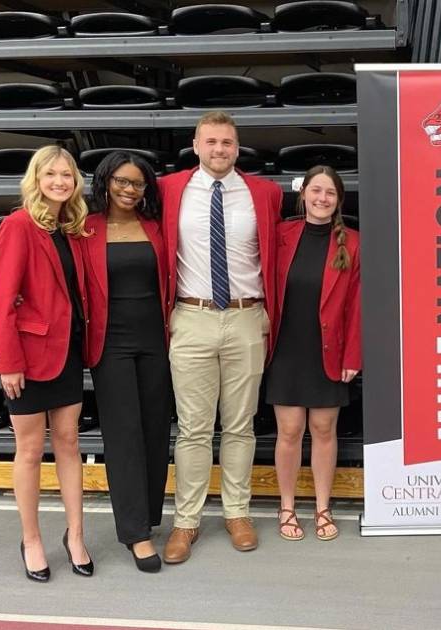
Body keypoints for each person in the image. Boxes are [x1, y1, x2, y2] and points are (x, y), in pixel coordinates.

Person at [159, 111, 281, 563]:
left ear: (237, 146)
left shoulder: (263, 194)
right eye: (210, 142)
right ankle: (186, 521)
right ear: (195, 144)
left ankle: (237, 512)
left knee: (240, 425)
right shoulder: (169, 189)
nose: (219, 150)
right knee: (192, 429)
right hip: (191, 317)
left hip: (246, 317)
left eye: (227, 142)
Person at [0, 145, 93, 581]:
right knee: (30, 451)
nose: (60, 182)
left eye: (66, 175)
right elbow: (0, 298)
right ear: (36, 178)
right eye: (51, 174)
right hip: (26, 360)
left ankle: (76, 535)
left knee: (69, 444)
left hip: (66, 354)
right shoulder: (19, 225)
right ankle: (31, 540)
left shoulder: (72, 228)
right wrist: (8, 361)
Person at [82, 151, 171, 573]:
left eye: (137, 183)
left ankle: (148, 517)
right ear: (105, 181)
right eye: (121, 181)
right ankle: (135, 534)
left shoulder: (155, 227)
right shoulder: (86, 228)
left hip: (156, 340)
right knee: (124, 435)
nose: (129, 189)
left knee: (155, 431)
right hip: (110, 344)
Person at [264, 166, 360, 541]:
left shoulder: (352, 243)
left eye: (330, 193)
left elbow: (357, 305)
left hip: (329, 350)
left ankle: (323, 506)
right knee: (288, 431)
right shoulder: (280, 236)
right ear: (302, 194)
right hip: (286, 348)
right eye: (315, 190)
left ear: (338, 201)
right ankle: (286, 506)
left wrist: (353, 354)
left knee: (323, 429)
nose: (322, 199)